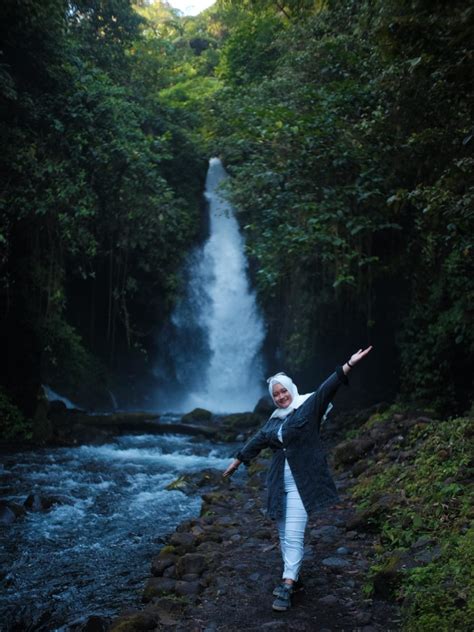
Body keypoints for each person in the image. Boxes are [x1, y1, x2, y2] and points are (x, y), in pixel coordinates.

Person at [223, 346, 373, 612]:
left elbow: (329, 386)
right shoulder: (274, 421)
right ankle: (294, 575)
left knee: (292, 535)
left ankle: (288, 584)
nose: (281, 396)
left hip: (304, 484)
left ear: (291, 389)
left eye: (283, 391)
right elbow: (258, 440)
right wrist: (238, 460)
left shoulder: (308, 407)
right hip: (279, 484)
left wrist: (349, 364)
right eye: (276, 394)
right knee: (283, 535)